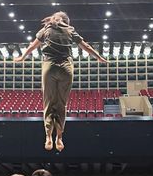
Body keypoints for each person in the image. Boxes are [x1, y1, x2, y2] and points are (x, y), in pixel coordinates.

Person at [14, 11, 107, 152]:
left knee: (48, 103)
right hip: (66, 68)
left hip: (49, 67)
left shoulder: (46, 29)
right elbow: (85, 46)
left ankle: (48, 137)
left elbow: (33, 46)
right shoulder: (70, 29)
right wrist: (99, 57)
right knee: (61, 104)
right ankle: (59, 137)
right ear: (66, 21)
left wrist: (22, 57)